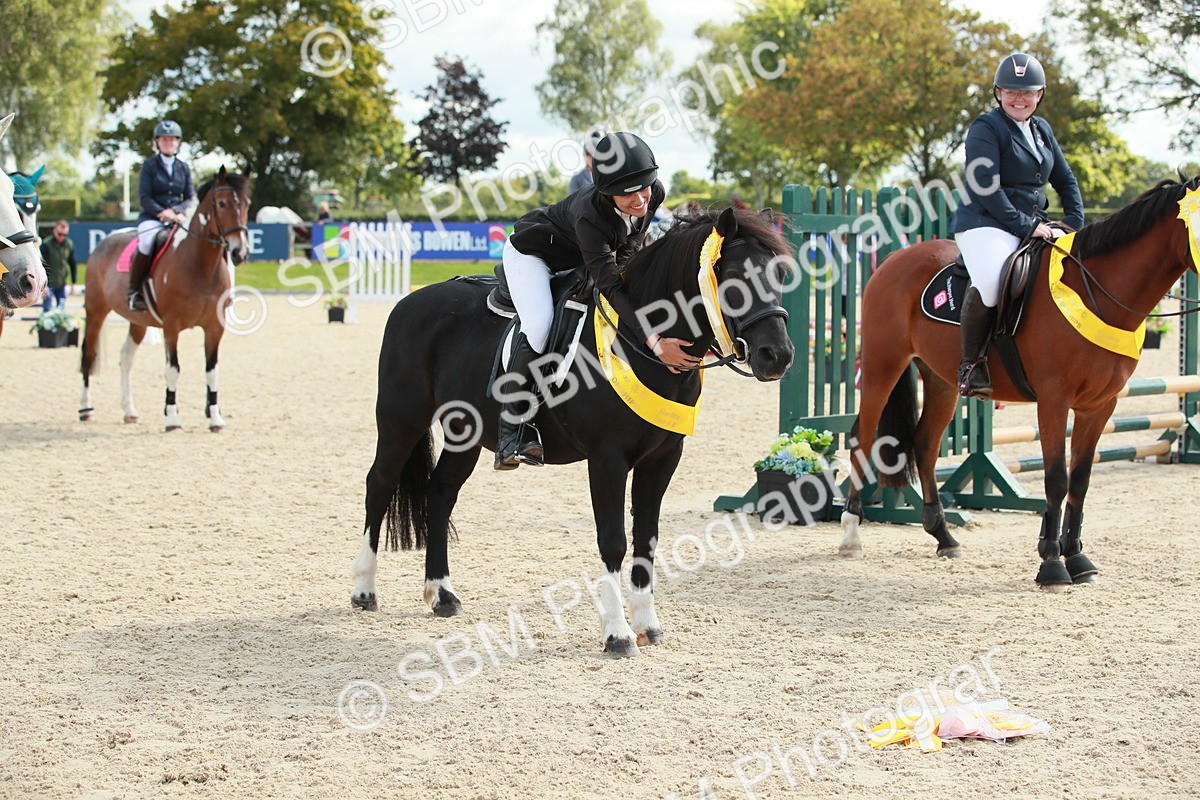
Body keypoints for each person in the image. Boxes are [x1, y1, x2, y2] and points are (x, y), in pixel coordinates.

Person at [497, 131, 699, 470]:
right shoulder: (590, 216)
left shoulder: (654, 192)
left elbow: (632, 245)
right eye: (626, 194)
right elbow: (611, 286)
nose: (639, 201)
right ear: (607, 194)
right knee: (539, 326)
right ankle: (511, 430)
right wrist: (654, 340)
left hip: (583, 257)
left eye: (644, 188)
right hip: (533, 255)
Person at [951, 53, 1084, 399]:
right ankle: (971, 364)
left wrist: (1075, 222)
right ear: (997, 93)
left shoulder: (1041, 130)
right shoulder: (985, 128)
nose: (1019, 99)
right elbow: (986, 187)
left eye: (1027, 92)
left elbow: (1066, 179)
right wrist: (1026, 225)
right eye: (1011, 91)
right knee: (993, 280)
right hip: (985, 223)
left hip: (1031, 223)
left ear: (1040, 94)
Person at [129, 119, 195, 311]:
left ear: (178, 142)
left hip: (178, 216)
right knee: (147, 241)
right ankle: (135, 291)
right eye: (164, 139)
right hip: (152, 217)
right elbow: (144, 197)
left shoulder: (184, 167)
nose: (168, 142)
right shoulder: (149, 166)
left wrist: (176, 212)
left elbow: (190, 197)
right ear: (157, 142)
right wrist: (161, 212)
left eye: (172, 139)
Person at [39, 219, 77, 311]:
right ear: (54, 231)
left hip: (62, 283)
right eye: (60, 234)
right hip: (49, 283)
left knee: (61, 311)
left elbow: (73, 263)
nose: (62, 237)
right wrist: (44, 285)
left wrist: (73, 282)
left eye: (65, 235)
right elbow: (43, 265)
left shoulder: (69, 244)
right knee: (47, 309)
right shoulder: (46, 244)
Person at [567, 130, 604, 195]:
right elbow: (572, 203)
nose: (592, 157)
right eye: (588, 153)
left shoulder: (609, 176)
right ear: (584, 155)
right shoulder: (577, 178)